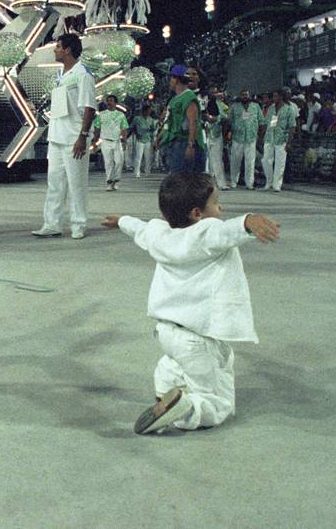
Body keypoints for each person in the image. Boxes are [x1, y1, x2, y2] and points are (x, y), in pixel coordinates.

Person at [101, 172, 280, 434]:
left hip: (167, 332)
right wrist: (248, 221)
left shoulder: (159, 234)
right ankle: (184, 411)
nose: (222, 209)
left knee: (175, 363)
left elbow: (140, 228)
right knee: (218, 404)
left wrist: (121, 221)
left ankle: (165, 391)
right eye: (216, 204)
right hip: (197, 338)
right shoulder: (205, 233)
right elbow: (226, 232)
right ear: (197, 214)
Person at [33, 34, 96, 240]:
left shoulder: (83, 74)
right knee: (55, 183)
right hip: (57, 137)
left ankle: (78, 225)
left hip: (74, 137)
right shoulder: (61, 75)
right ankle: (52, 224)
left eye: (58, 46)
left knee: (76, 184)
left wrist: (83, 136)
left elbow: (89, 107)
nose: (55, 50)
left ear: (68, 49)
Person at [155, 65, 204, 174]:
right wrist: (160, 136)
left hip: (184, 142)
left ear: (176, 79)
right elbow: (169, 121)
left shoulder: (189, 98)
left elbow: (193, 121)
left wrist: (190, 145)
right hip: (175, 142)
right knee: (176, 177)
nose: (169, 82)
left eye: (171, 78)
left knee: (184, 179)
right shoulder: (174, 99)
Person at [260, 90, 298, 192]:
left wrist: (289, 142)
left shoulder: (289, 109)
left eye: (276, 96)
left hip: (282, 139)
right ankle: (269, 181)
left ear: (281, 97)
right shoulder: (272, 108)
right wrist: (262, 136)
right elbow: (270, 122)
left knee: (280, 163)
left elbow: (292, 127)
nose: (274, 98)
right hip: (270, 137)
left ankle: (277, 184)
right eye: (273, 96)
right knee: (265, 160)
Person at [92, 94, 129, 191]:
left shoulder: (121, 115)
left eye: (111, 100)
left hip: (117, 142)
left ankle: (116, 180)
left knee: (119, 162)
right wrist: (95, 142)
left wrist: (124, 140)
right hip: (105, 141)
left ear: (115, 103)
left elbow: (124, 128)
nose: (109, 102)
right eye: (108, 100)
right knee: (108, 163)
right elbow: (97, 128)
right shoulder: (101, 115)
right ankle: (109, 182)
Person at [228, 89, 263, 189]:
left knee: (250, 162)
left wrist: (260, 136)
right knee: (235, 161)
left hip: (251, 138)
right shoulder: (234, 107)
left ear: (249, 96)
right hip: (237, 137)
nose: (245, 97)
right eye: (243, 95)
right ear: (240, 96)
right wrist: (229, 134)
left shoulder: (255, 107)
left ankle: (249, 183)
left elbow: (261, 121)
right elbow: (229, 121)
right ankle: (233, 182)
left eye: (246, 95)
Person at [203, 88, 230, 189]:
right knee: (206, 160)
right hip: (204, 134)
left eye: (216, 92)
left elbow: (225, 118)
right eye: (212, 92)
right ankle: (207, 183)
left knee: (217, 159)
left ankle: (221, 183)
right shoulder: (203, 102)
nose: (214, 94)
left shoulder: (220, 105)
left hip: (216, 134)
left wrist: (213, 119)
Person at [130, 104, 158, 178]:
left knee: (148, 157)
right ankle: (137, 173)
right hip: (139, 139)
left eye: (150, 111)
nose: (149, 112)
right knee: (138, 157)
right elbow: (133, 127)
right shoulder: (137, 118)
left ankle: (147, 172)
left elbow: (153, 128)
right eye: (148, 111)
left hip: (148, 139)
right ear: (144, 111)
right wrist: (136, 133)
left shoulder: (151, 119)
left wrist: (151, 130)